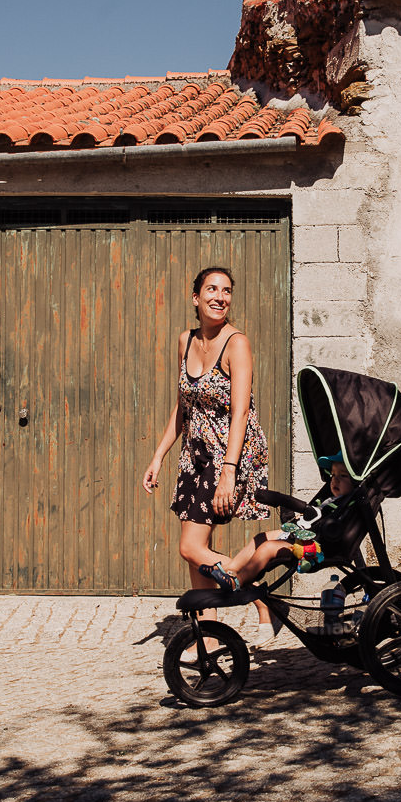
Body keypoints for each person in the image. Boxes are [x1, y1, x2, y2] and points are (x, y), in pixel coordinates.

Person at [142, 266, 278, 648]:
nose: (221, 296)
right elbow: (184, 405)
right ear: (196, 297)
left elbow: (240, 412)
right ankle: (212, 640)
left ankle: (255, 590)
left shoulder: (238, 343)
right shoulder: (185, 340)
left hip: (230, 455)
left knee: (190, 547)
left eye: (227, 291)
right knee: (193, 552)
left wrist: (229, 472)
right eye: (212, 289)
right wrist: (159, 456)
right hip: (195, 455)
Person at [204, 455, 357, 592]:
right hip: (300, 535)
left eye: (343, 476)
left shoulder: (348, 505)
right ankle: (231, 569)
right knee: (261, 538)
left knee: (267, 548)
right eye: (333, 475)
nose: (335, 480)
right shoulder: (329, 499)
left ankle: (237, 582)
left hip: (314, 548)